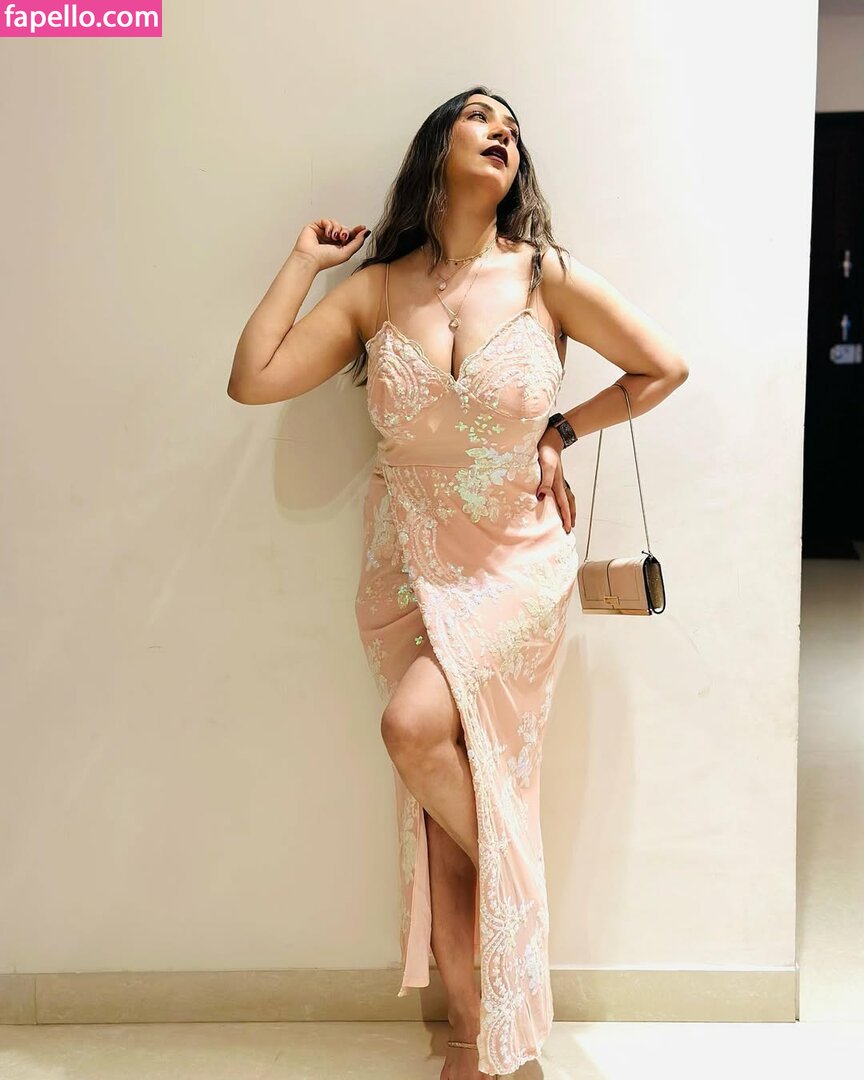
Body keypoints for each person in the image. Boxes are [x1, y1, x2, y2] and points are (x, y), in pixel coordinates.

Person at [228, 85, 688, 1080]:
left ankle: (512, 919)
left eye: (512, 127)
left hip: (516, 558)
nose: (502, 132)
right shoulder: (375, 290)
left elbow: (663, 367)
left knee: (412, 731)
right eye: (482, 117)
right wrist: (305, 262)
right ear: (438, 144)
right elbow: (254, 378)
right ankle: (474, 1040)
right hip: (407, 561)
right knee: (441, 800)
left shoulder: (543, 274)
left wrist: (562, 430)